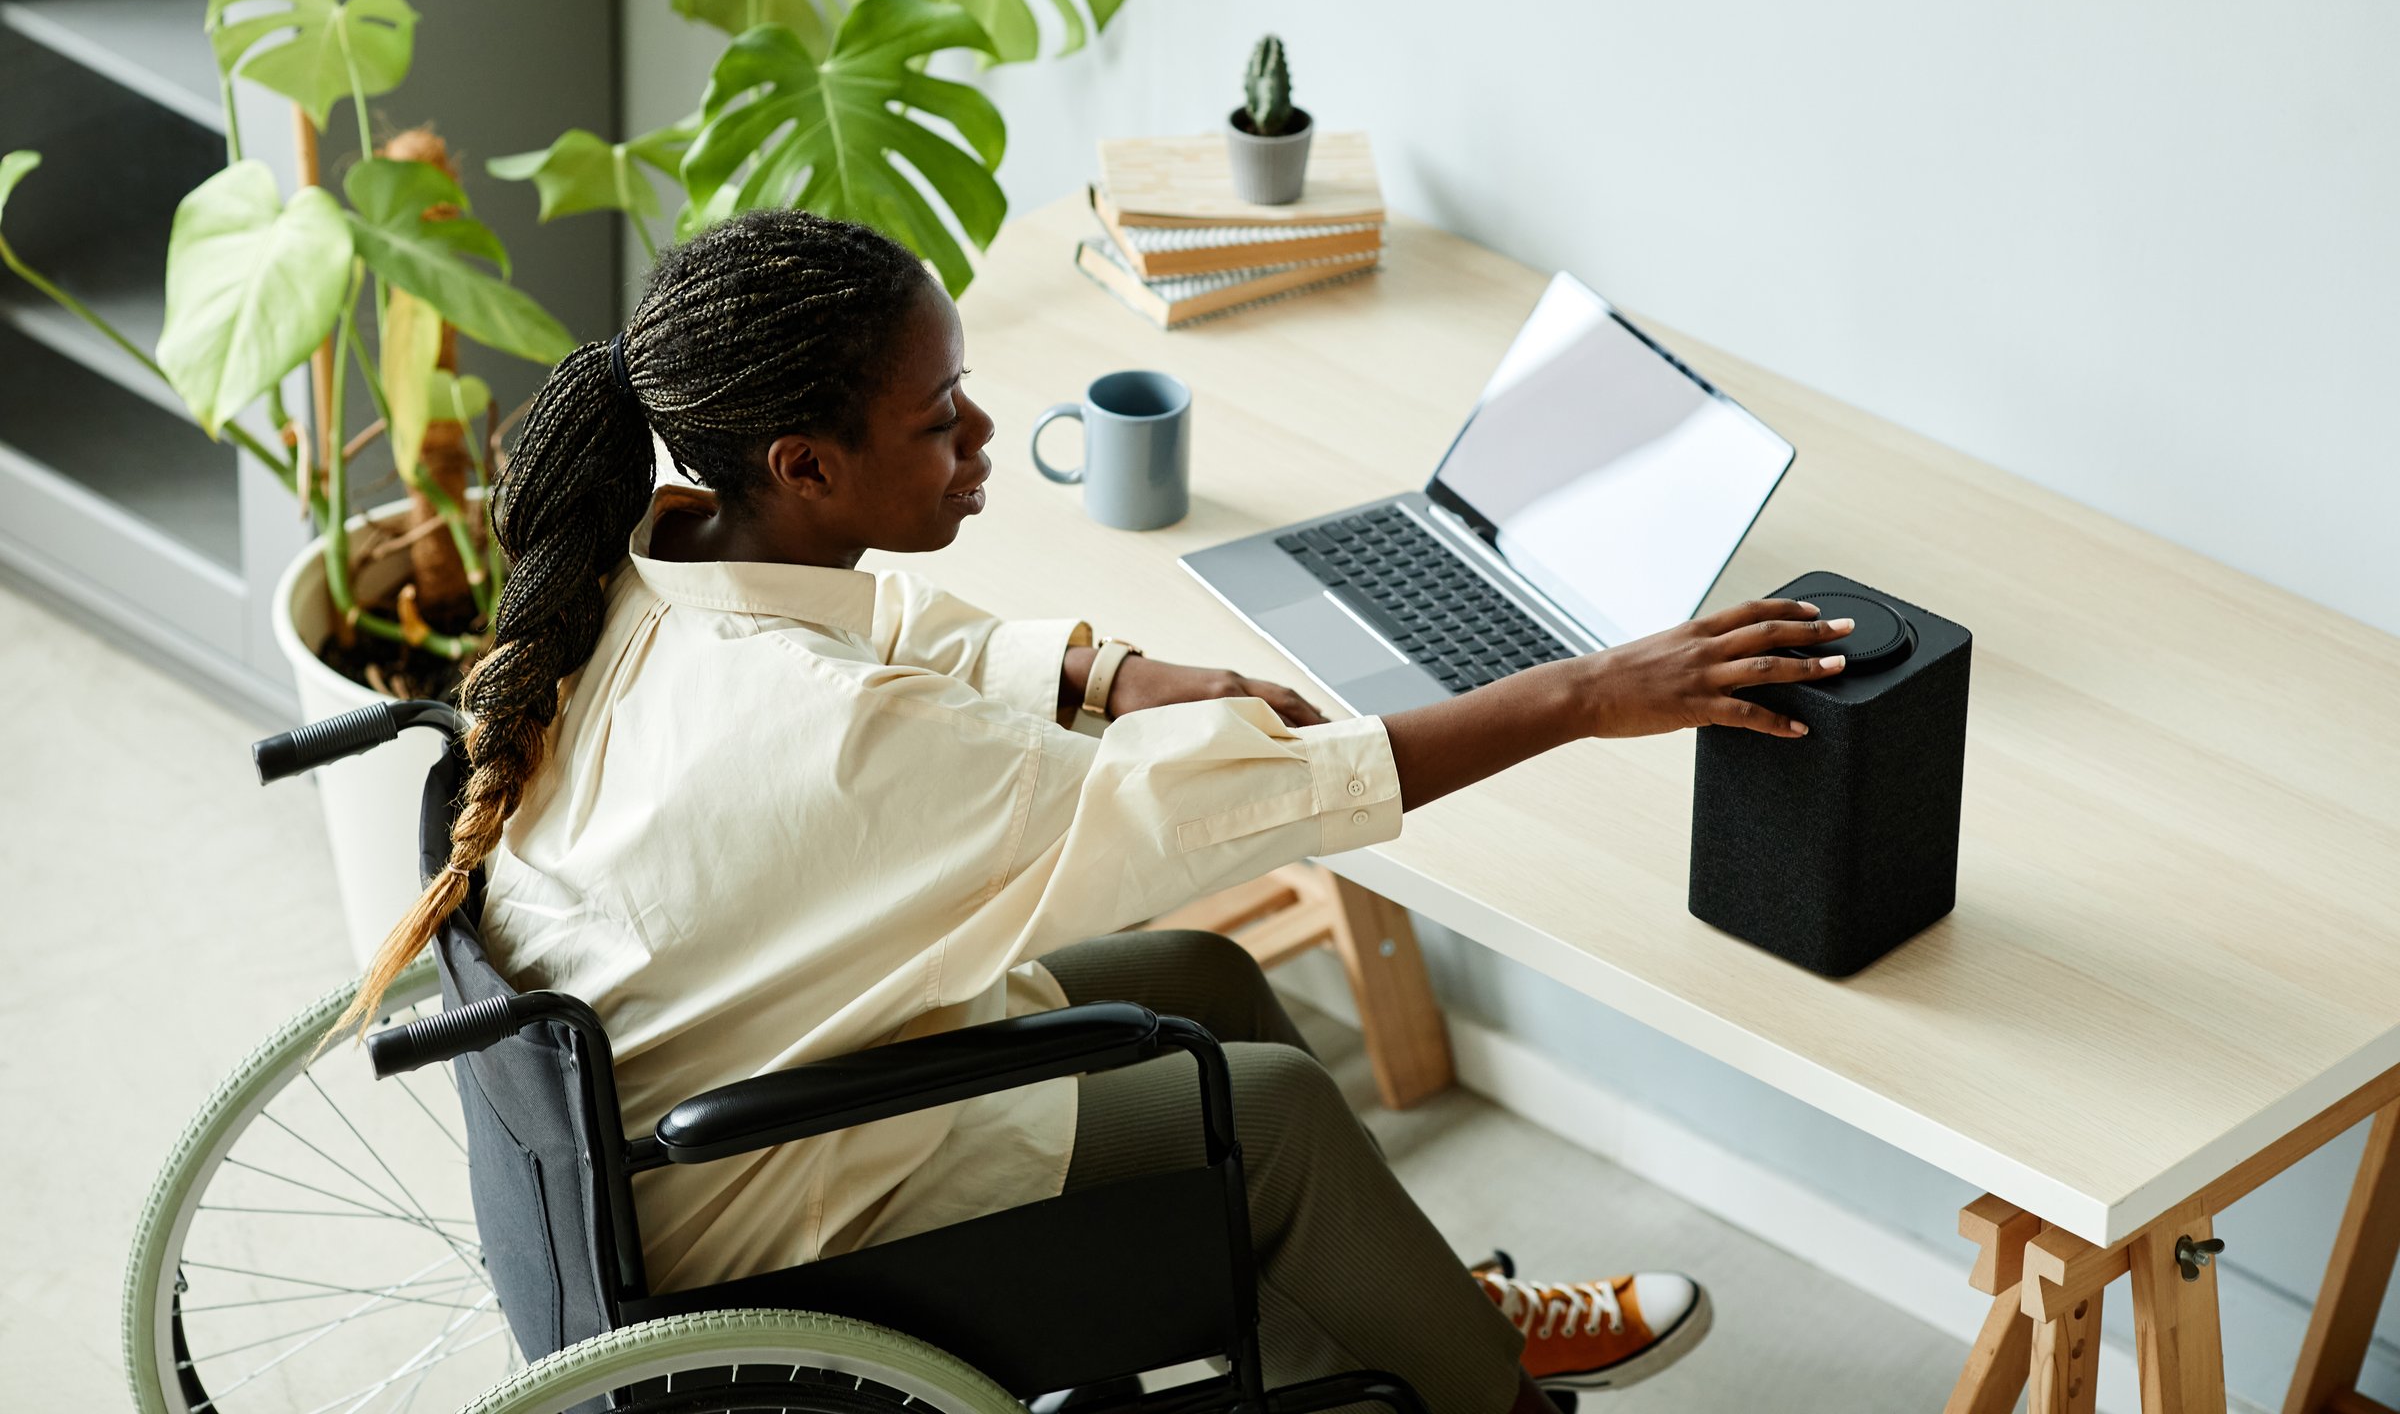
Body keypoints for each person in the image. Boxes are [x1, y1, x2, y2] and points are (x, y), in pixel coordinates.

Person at [336, 210, 1854, 1413]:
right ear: (803, 464)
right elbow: (1243, 811)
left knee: (1204, 984)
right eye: (939, 420)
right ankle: (1484, 1391)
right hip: (761, 1205)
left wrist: (1103, 668)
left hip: (675, 1109)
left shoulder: (643, 558)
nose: (982, 437)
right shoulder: (858, 744)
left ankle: (1399, 1340)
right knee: (1269, 1116)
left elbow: (894, 630)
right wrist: (1590, 695)